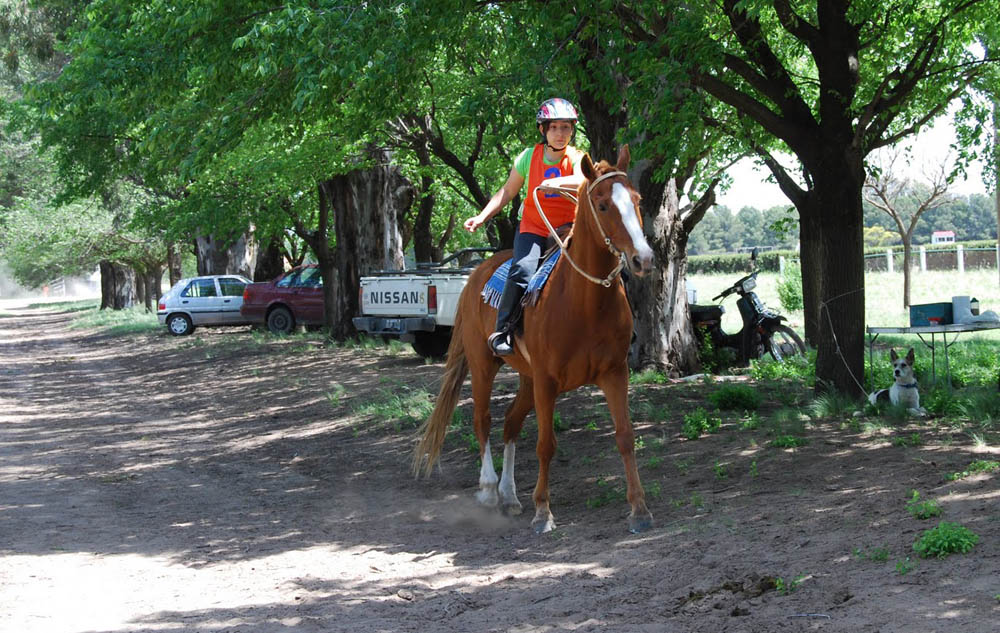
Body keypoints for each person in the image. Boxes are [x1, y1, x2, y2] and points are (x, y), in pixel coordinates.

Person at [464, 97, 585, 356]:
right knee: (522, 270)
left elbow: (583, 181)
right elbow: (507, 191)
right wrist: (482, 216)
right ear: (543, 130)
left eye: (566, 127)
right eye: (554, 127)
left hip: (568, 230)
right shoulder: (528, 157)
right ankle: (504, 331)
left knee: (608, 265)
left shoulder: (577, 157)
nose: (561, 134)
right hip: (534, 228)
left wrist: (557, 183)